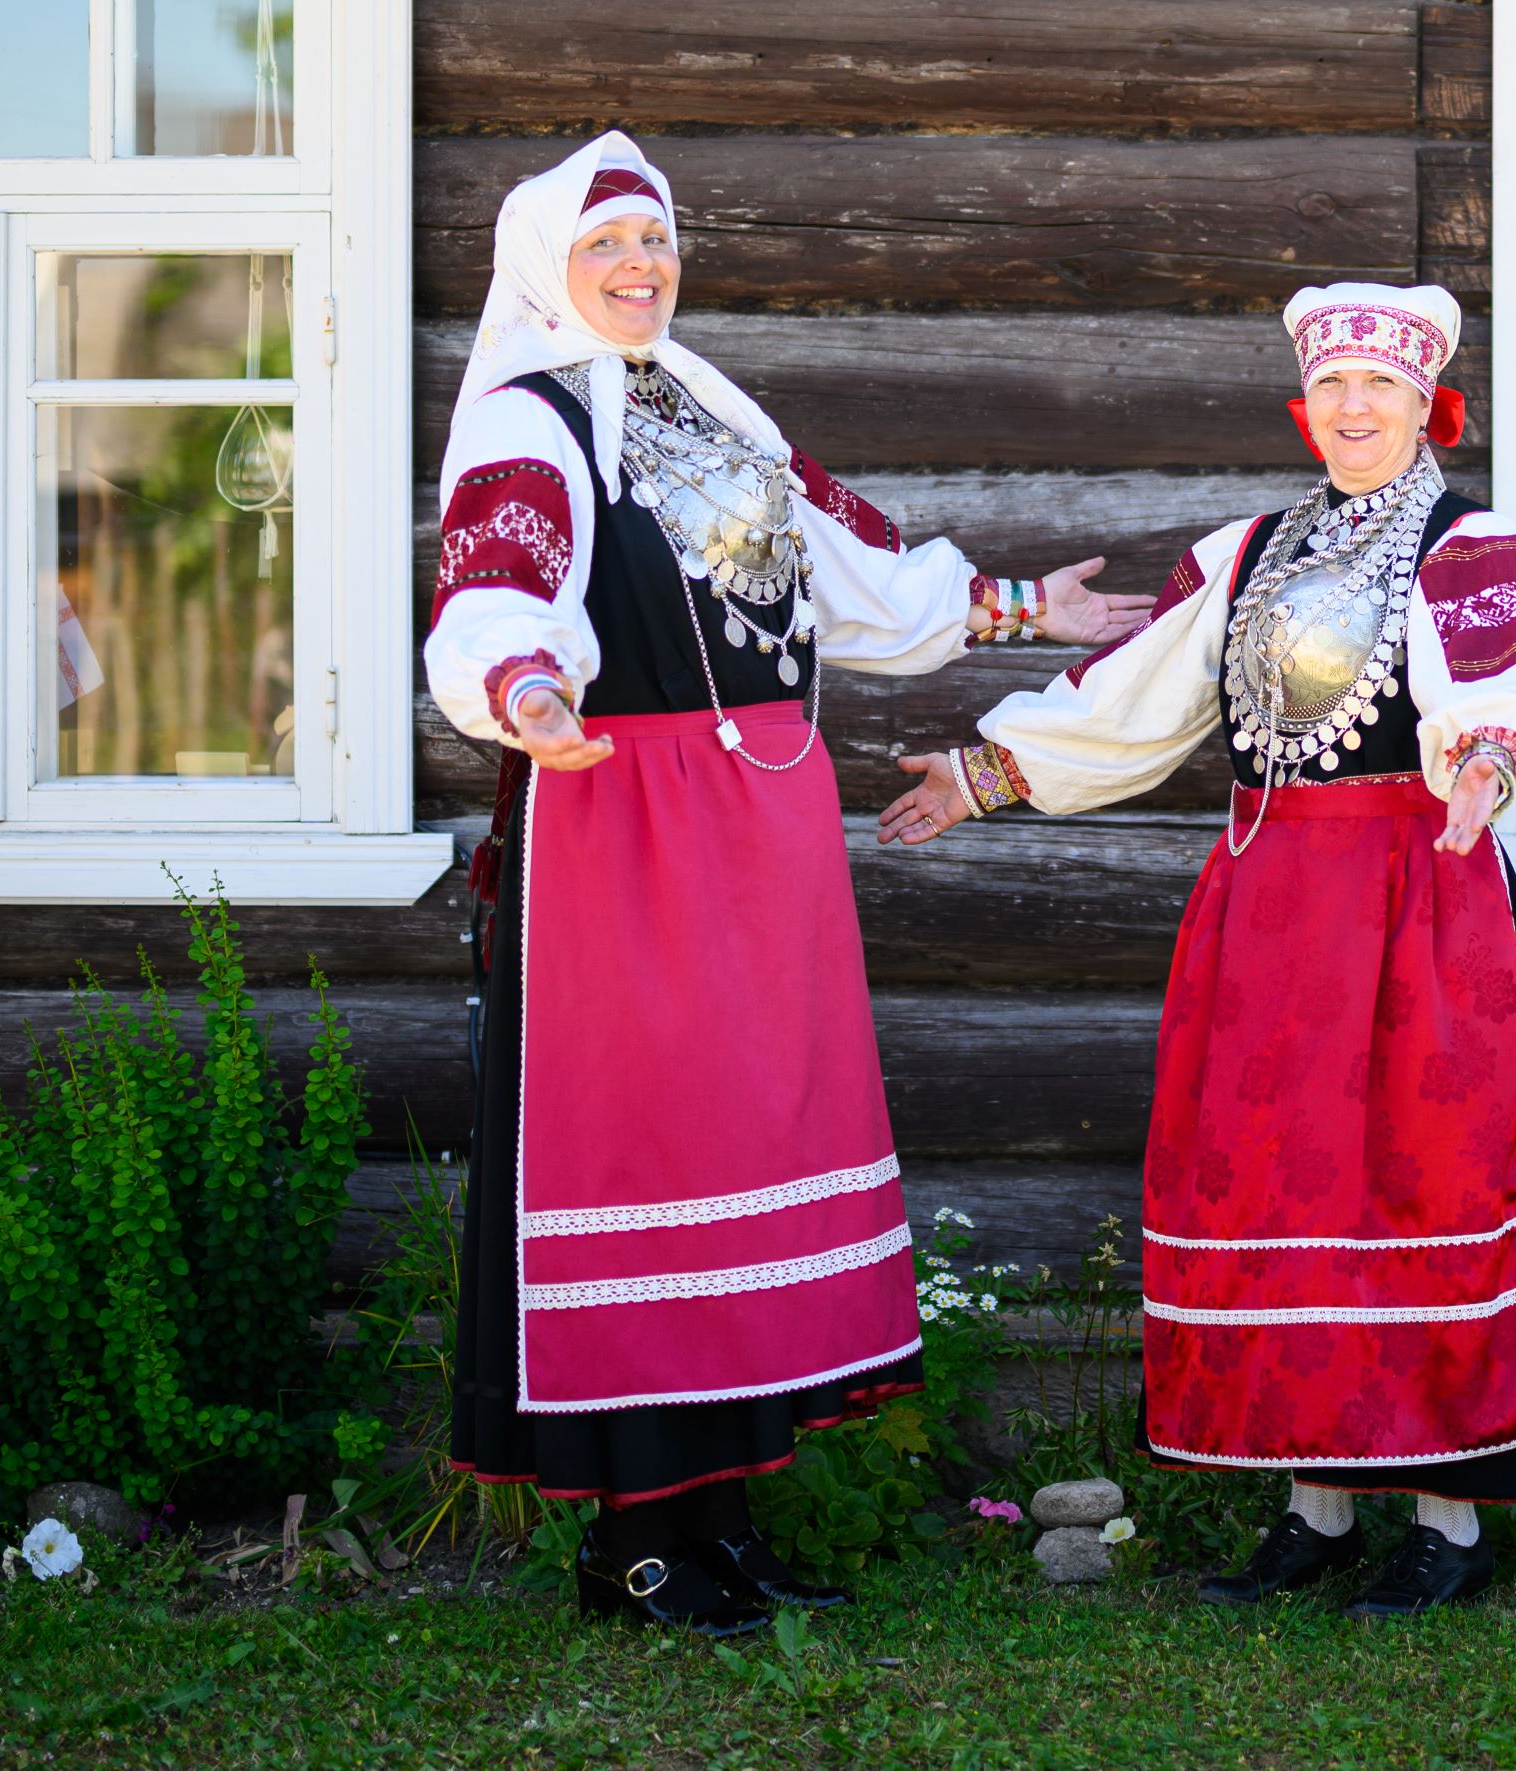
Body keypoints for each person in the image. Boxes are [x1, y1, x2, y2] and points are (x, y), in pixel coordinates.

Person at [427, 131, 1150, 1635]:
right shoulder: (529, 420)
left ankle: (722, 1528)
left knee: (745, 1146)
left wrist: (1020, 605)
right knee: (650, 1155)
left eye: (655, 243)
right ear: (546, 271)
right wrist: (527, 691)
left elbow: (850, 572)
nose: (639, 270)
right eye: (606, 249)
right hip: (624, 826)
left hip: (752, 830)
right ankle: (635, 1543)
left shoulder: (707, 408)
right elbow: (497, 583)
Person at [874, 282, 1516, 1618]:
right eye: (1333, 389)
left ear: (1426, 400)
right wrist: (986, 771)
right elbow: (1134, 699)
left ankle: (1448, 1524)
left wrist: (1488, 764)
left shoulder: (1468, 544)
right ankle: (1312, 1511)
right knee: (1276, 1192)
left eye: (1381, 387)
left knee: (1411, 1183)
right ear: (1305, 404)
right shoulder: (1247, 555)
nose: (1356, 408)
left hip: (1414, 899)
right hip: (1268, 911)